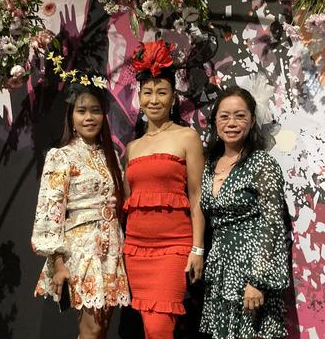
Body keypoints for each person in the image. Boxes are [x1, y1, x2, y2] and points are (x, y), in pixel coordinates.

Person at [31, 83, 130, 339]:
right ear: (71, 117)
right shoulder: (61, 156)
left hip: (111, 248)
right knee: (92, 329)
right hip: (82, 251)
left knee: (101, 328)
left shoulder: (111, 155)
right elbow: (49, 211)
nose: (89, 117)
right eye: (82, 111)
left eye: (95, 111)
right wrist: (58, 263)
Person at [122, 40, 206, 339]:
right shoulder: (132, 147)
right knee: (149, 327)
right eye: (148, 93)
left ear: (173, 98)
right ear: (140, 99)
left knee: (160, 329)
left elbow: (197, 198)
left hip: (173, 247)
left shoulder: (188, 138)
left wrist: (197, 249)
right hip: (135, 249)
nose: (154, 99)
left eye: (162, 92)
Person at [199, 86, 290, 339]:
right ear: (215, 121)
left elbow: (273, 224)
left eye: (240, 116)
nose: (231, 123)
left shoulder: (262, 163)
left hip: (251, 271)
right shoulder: (208, 164)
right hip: (220, 271)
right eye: (224, 116)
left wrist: (257, 281)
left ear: (251, 121)